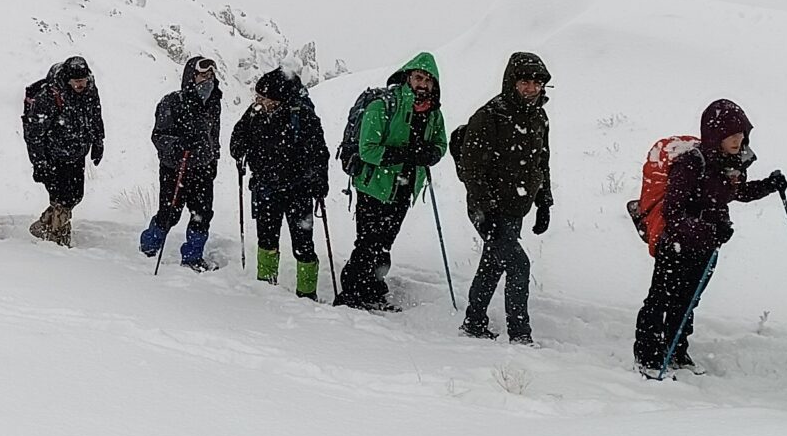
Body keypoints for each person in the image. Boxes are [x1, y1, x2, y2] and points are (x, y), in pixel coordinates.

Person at [631, 99, 786, 373]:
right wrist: (708, 229)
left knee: (688, 300)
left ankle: (676, 351)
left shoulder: (732, 162)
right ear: (716, 134)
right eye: (732, 134)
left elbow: (736, 193)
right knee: (661, 299)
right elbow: (673, 212)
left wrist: (769, 186)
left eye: (741, 134)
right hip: (676, 243)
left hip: (706, 246)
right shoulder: (691, 163)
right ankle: (648, 356)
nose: (738, 139)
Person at [448, 52, 554, 342]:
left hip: (515, 207)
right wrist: (488, 212)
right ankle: (520, 335)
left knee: (493, 264)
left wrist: (544, 201)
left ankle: (474, 322)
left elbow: (541, 162)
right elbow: (473, 171)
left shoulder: (538, 117)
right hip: (488, 210)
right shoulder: (489, 116)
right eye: (524, 82)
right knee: (519, 265)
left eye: (537, 83)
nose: (532, 88)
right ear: (512, 82)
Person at [333, 53, 446, 311]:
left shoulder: (433, 113)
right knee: (368, 242)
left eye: (428, 80)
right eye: (418, 77)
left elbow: (441, 143)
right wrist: (409, 155)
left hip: (404, 187)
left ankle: (372, 289)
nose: (423, 84)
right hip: (374, 185)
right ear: (408, 77)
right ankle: (351, 294)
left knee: (384, 242)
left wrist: (433, 154)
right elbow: (368, 149)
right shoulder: (384, 105)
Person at [228, 68, 330, 299]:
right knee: (267, 239)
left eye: (264, 98)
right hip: (266, 188)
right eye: (258, 97)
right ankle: (265, 287)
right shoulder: (254, 114)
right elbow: (237, 140)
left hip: (298, 190)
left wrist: (319, 183)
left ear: (279, 99)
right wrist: (239, 150)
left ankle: (306, 294)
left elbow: (319, 153)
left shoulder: (302, 115)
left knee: (303, 244)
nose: (259, 102)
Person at [140, 57, 224, 268]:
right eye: (203, 75)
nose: (208, 80)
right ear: (191, 76)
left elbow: (214, 135)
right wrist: (178, 146)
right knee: (170, 213)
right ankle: (149, 245)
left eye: (211, 76)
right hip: (175, 168)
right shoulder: (171, 102)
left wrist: (214, 158)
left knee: (202, 214)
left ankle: (192, 257)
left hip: (203, 168)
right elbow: (158, 136)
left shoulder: (213, 102)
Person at [22, 56, 104, 247]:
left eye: (83, 80)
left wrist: (98, 140)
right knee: (62, 199)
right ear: (68, 79)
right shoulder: (50, 96)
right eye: (76, 81)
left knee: (75, 196)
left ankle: (43, 225)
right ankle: (58, 241)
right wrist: (39, 162)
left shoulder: (90, 90)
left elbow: (95, 115)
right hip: (54, 155)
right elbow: (34, 134)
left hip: (77, 152)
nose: (81, 84)